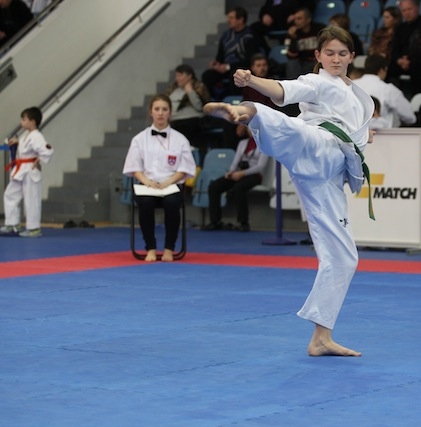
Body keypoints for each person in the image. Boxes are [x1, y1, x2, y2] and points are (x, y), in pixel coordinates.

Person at [203, 26, 374, 357]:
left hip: (329, 178)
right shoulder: (318, 82)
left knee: (344, 258)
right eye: (329, 53)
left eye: (342, 53)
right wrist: (253, 80)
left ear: (352, 56)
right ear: (318, 56)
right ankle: (247, 112)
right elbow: (284, 90)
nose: (336, 59)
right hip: (318, 146)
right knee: (296, 131)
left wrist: (364, 137)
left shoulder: (356, 94)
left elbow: (354, 127)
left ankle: (321, 337)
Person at [122, 94, 196, 262]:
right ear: (151, 112)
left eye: (164, 109)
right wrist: (147, 182)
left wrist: (168, 182)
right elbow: (134, 167)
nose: (160, 113)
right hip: (147, 185)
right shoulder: (139, 139)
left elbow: (185, 168)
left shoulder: (180, 139)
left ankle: (169, 248)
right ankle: (151, 248)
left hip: (171, 185)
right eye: (157, 109)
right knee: (145, 203)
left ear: (170, 112)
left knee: (172, 203)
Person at [202, 124, 268, 232]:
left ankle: (243, 222)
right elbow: (235, 161)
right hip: (238, 173)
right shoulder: (243, 143)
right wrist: (231, 172)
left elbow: (260, 166)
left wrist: (242, 173)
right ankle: (215, 221)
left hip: (254, 175)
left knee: (239, 188)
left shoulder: (265, 144)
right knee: (214, 186)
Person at [1, 106, 53, 237]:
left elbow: (48, 150)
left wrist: (39, 159)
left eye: (24, 119)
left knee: (31, 199)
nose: (21, 122)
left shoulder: (37, 136)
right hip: (21, 170)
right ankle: (13, 223)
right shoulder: (27, 136)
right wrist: (18, 142)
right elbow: (27, 146)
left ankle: (34, 228)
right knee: (10, 194)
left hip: (30, 170)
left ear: (33, 121)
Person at [201, 7, 260, 100]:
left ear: (240, 20)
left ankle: (236, 100)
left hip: (241, 67)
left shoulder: (250, 35)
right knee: (207, 75)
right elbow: (220, 56)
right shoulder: (226, 36)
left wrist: (228, 67)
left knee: (236, 74)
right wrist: (216, 64)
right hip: (225, 68)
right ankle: (210, 101)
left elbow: (249, 60)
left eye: (231, 18)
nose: (228, 20)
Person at [352, 54, 416, 127]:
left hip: (351, 132)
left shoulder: (349, 85)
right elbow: (410, 117)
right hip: (381, 133)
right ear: (382, 70)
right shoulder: (388, 89)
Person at [165, 64, 210, 149]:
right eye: (176, 76)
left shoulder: (199, 88)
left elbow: (200, 107)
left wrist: (190, 92)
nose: (177, 78)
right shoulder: (172, 89)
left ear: (189, 76)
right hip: (174, 119)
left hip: (192, 120)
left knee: (184, 128)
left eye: (180, 75)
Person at [284, 7, 325, 79]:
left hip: (317, 61)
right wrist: (293, 38)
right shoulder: (292, 33)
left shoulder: (320, 29)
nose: (296, 21)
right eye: (295, 19)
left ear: (308, 20)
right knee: (291, 64)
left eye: (299, 19)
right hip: (301, 63)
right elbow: (290, 56)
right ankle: (295, 85)